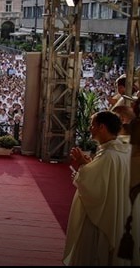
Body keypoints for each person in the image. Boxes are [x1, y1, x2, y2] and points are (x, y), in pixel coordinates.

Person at [64, 110, 130, 266]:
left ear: (102, 127)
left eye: (92, 125)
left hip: (100, 219)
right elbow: (107, 179)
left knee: (94, 252)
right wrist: (89, 165)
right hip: (117, 212)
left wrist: (81, 164)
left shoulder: (108, 155)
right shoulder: (122, 151)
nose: (89, 128)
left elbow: (95, 190)